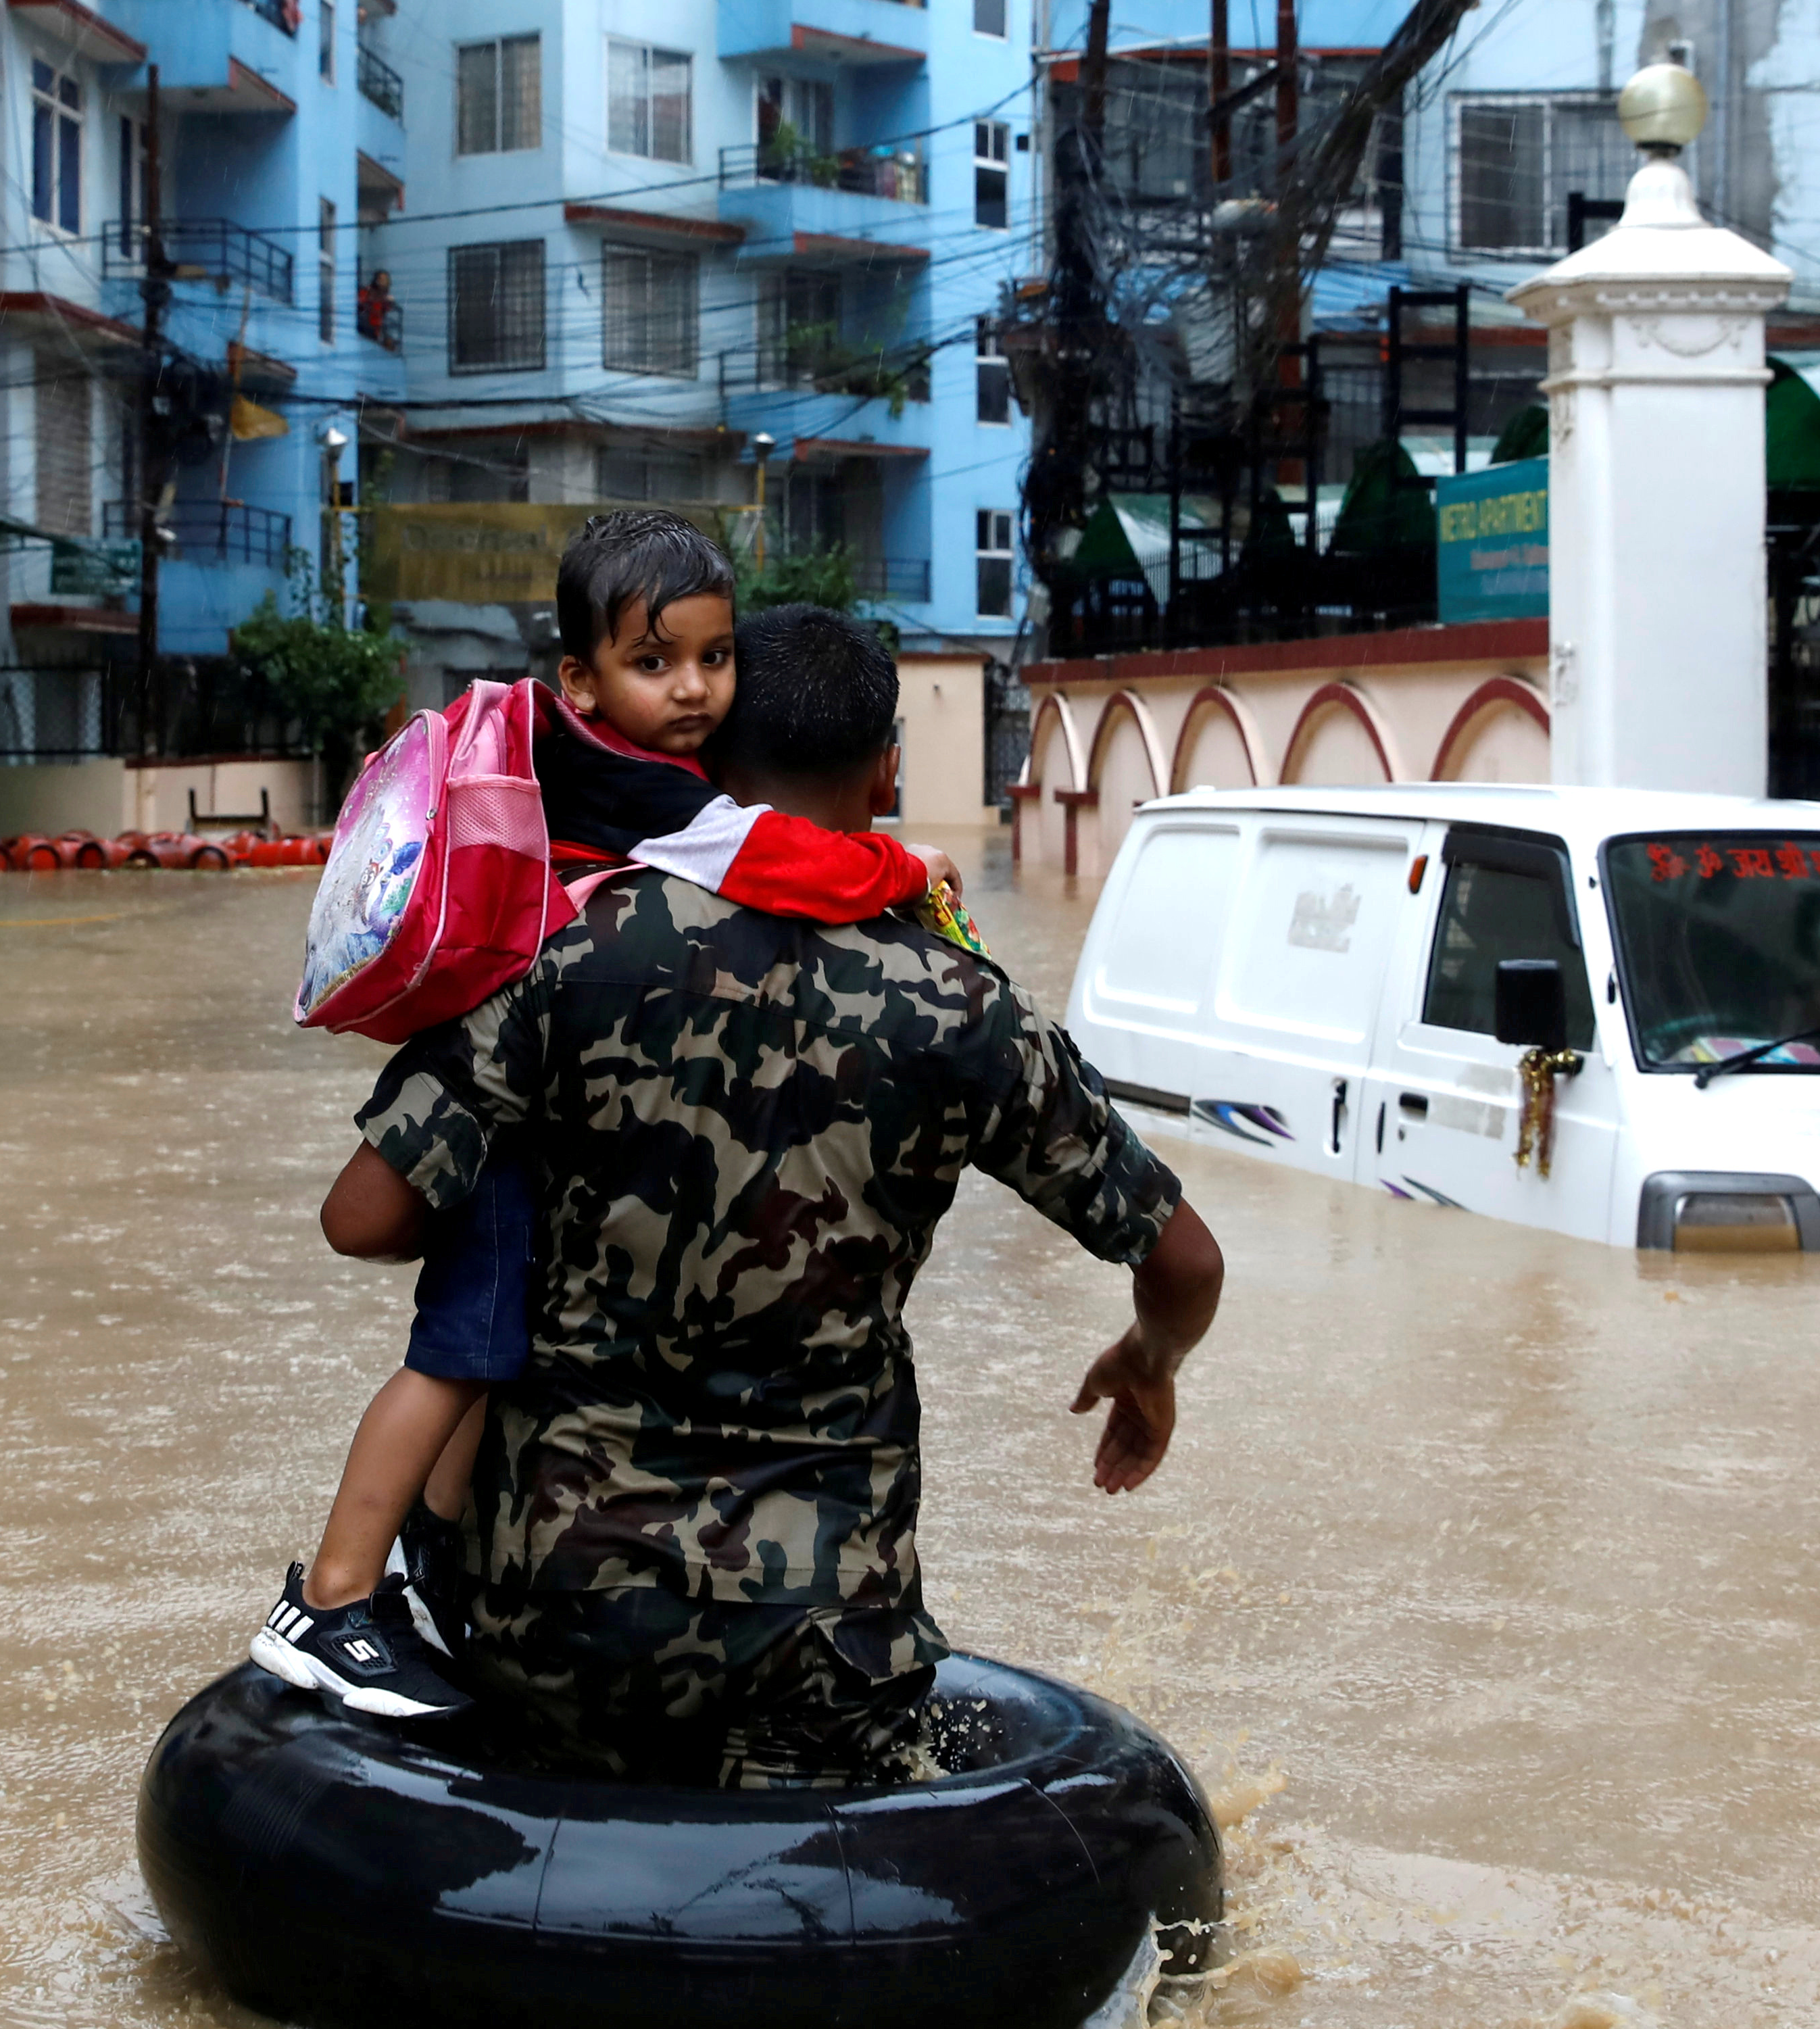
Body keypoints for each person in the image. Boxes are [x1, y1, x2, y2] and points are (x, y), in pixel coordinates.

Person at [311, 604, 1223, 1788]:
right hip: (826, 1644)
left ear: (705, 762)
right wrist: (1149, 1358)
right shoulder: (962, 1004)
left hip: (553, 1622)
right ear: (887, 769)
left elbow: (366, 1214)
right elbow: (1183, 1257)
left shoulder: (573, 949)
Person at [247, 518, 958, 1719]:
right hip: (509, 1113)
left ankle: (432, 1556)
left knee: (497, 1338)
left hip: (508, 1094)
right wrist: (902, 866)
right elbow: (789, 861)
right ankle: (330, 1596)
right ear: (583, 676)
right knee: (457, 1352)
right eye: (656, 661)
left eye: (715, 658)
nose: (693, 689)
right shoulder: (642, 790)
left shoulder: (567, 739)